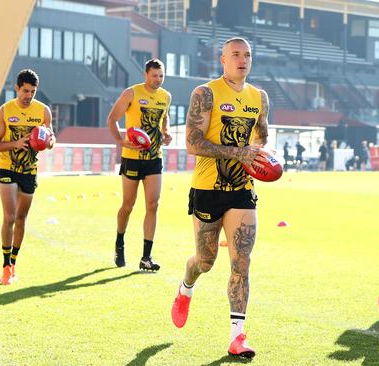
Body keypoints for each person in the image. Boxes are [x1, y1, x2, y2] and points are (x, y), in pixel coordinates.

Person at [170, 37, 269, 359]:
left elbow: (262, 136)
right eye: (236, 55)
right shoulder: (206, 93)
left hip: (242, 191)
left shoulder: (259, 97)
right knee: (205, 261)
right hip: (207, 189)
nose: (243, 60)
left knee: (241, 264)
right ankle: (186, 287)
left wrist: (263, 159)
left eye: (248, 55)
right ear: (222, 60)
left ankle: (237, 337)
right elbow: (193, 143)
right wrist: (237, 151)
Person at [106, 59, 172, 271]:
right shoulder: (131, 93)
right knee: (128, 205)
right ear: (145, 75)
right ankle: (119, 242)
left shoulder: (165, 96)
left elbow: (164, 118)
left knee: (153, 204)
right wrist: (120, 141)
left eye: (161, 76)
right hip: (132, 158)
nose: (158, 80)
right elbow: (112, 119)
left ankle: (146, 257)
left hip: (154, 158)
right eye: (154, 76)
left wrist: (166, 132)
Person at [0, 69, 54, 285]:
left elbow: (50, 140)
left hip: (29, 171)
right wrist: (15, 144)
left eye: (33, 91)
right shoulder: (5, 110)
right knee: (9, 216)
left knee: (21, 218)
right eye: (25, 90)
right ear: (16, 88)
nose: (29, 95)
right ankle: (5, 265)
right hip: (7, 168)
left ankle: (14, 262)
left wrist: (48, 141)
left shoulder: (43, 111)